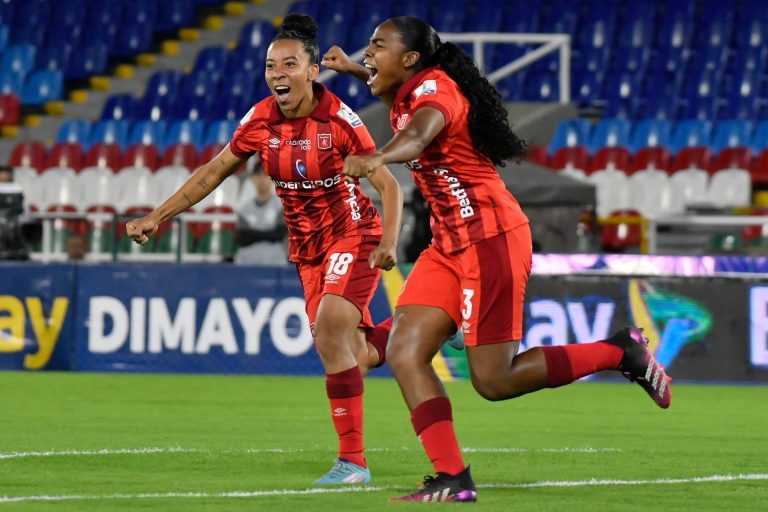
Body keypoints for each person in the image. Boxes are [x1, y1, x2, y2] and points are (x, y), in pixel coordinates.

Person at [322, 17, 672, 502]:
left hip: (491, 238)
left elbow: (419, 137)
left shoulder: (435, 92)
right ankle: (453, 478)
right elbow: (399, 104)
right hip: (448, 244)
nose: (368, 54)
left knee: (494, 380)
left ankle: (621, 352)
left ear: (410, 60)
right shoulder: (403, 89)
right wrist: (354, 72)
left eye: (378, 47)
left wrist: (378, 157)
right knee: (405, 353)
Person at [126, 13, 403, 485]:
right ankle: (424, 324)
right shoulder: (259, 120)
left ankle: (353, 463)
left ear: (312, 71)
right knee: (349, 354)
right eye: (271, 66)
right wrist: (158, 215)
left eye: (289, 64)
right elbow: (214, 173)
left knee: (333, 328)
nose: (278, 75)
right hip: (307, 250)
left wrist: (391, 242)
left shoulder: (339, 120)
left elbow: (389, 184)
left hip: (354, 234)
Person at [233, 163, 288, 265]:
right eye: (258, 175)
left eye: (265, 175)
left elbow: (279, 235)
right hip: (246, 260)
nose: (262, 179)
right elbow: (241, 238)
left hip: (275, 260)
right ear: (252, 179)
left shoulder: (281, 206)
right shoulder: (245, 209)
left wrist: (252, 234)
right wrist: (268, 234)